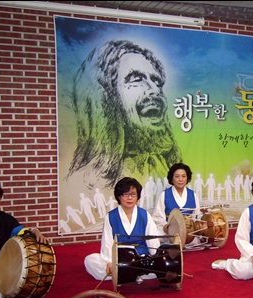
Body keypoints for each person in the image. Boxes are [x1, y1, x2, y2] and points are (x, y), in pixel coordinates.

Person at [65, 39, 182, 192]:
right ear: (107, 98)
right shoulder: (86, 184)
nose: (154, 89)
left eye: (156, 82)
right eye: (136, 79)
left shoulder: (164, 170)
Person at [84, 177, 160, 281]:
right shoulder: (111, 216)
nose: (130, 198)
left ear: (137, 196)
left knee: (157, 265)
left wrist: (156, 258)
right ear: (119, 196)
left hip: (140, 258)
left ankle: (124, 274)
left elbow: (153, 239)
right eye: (126, 194)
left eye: (133, 194)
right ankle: (132, 274)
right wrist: (109, 262)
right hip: (120, 258)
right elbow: (107, 242)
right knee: (90, 260)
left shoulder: (144, 215)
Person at [152, 163, 201, 242]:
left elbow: (197, 215)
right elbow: (157, 216)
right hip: (170, 230)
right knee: (156, 238)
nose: (180, 179)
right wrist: (165, 226)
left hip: (188, 231)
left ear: (187, 178)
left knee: (195, 241)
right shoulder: (164, 194)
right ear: (172, 178)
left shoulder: (193, 194)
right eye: (177, 176)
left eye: (183, 176)